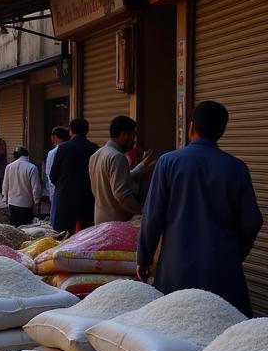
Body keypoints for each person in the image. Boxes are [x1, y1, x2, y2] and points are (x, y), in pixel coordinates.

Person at [138, 101, 263, 315]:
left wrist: (144, 258)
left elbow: (152, 217)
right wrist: (233, 253)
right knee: (223, 333)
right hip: (223, 271)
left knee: (172, 327)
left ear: (191, 127)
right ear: (221, 131)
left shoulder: (168, 162)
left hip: (175, 269)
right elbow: (252, 221)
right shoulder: (236, 168)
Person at [89, 115, 153, 225]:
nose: (134, 141)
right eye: (133, 136)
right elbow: (122, 194)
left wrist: (141, 166)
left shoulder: (97, 154)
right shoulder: (117, 157)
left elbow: (117, 180)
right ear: (124, 135)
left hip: (100, 220)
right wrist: (141, 212)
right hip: (115, 224)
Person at [49, 117, 99, 233]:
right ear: (87, 131)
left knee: (64, 238)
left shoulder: (63, 148)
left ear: (71, 131)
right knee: (85, 237)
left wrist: (62, 186)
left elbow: (53, 175)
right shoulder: (94, 148)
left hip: (65, 199)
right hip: (87, 199)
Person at [2, 146, 43, 226]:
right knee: (26, 229)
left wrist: (5, 200)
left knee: (14, 229)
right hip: (26, 205)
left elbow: (5, 185)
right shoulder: (32, 168)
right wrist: (37, 202)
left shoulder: (9, 167)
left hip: (12, 204)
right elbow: (35, 188)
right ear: (27, 156)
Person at [45, 126, 69, 216]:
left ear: (54, 137)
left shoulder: (53, 152)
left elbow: (49, 174)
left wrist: (50, 193)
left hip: (57, 190)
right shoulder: (71, 149)